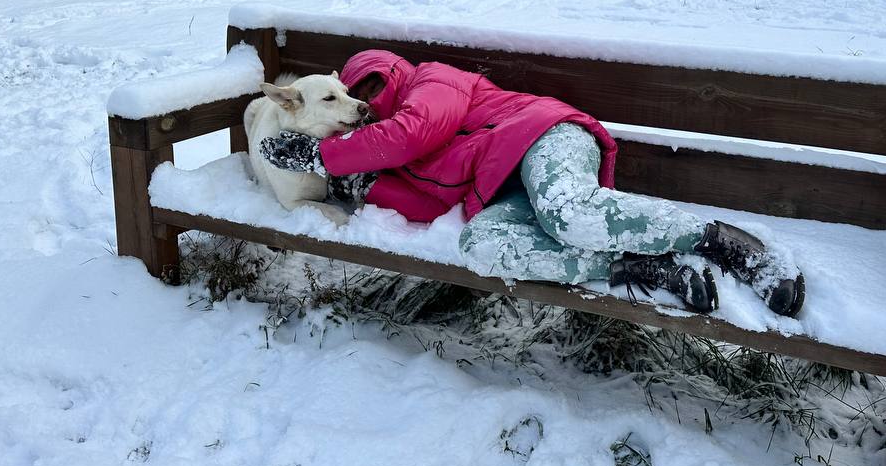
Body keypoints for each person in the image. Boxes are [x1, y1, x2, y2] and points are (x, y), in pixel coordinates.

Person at [259, 49, 805, 317]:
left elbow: (413, 131)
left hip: (542, 137)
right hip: (502, 191)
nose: (372, 98)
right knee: (483, 244)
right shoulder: (379, 144)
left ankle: (724, 242)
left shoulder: (432, 82)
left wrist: (326, 156)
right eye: (363, 95)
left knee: (565, 212)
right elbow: (419, 200)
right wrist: (357, 183)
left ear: (395, 70)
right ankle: (643, 267)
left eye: (375, 85)